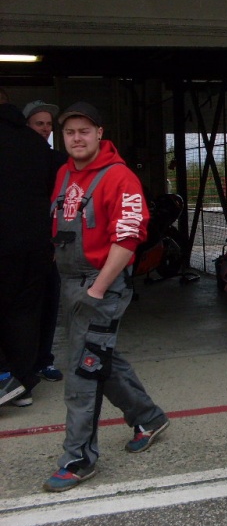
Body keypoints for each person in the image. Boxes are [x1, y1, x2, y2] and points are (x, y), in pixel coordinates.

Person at [43, 102, 169, 493]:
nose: (76, 138)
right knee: (98, 357)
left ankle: (78, 458)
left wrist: (97, 289)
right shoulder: (64, 173)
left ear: (100, 133)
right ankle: (148, 416)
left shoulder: (120, 177)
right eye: (69, 132)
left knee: (82, 370)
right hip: (70, 283)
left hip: (101, 285)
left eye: (84, 131)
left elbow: (128, 239)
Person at [0, 100, 54, 407]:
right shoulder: (36, 145)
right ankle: (22, 385)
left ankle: (4, 379)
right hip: (35, 244)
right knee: (25, 314)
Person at [23, 100, 69, 384]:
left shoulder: (58, 161)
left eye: (48, 124)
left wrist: (57, 242)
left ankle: (43, 360)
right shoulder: (15, 160)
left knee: (50, 304)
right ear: (26, 125)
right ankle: (20, 365)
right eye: (39, 123)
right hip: (20, 247)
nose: (44, 128)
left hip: (48, 247)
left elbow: (67, 208)